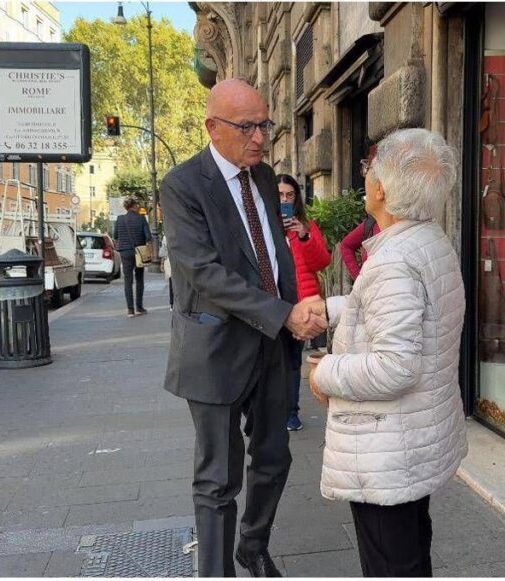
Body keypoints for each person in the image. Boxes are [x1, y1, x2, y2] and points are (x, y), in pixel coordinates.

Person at [159, 78, 326, 578]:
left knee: (274, 459)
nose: (259, 137)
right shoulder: (183, 185)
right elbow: (205, 275)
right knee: (217, 478)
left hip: (270, 347)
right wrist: (282, 313)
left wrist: (298, 310)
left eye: (264, 124)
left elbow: (273, 258)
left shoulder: (263, 176)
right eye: (247, 126)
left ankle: (251, 546)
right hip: (213, 349)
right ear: (213, 127)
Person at [308, 128, 467, 577]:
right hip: (412, 439)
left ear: (382, 188)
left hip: (387, 449)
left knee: (391, 564)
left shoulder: (394, 259)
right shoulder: (427, 241)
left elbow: (394, 366)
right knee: (410, 553)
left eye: (369, 170)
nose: (365, 178)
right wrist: (332, 309)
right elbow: (412, 314)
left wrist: (326, 372)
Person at [277, 174, 331, 432]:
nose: (285, 199)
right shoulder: (264, 226)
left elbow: (322, 262)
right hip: (273, 304)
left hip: (302, 304)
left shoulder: (307, 226)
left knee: (291, 361)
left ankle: (291, 412)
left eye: (290, 195)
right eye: (280, 195)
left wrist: (304, 236)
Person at [340, 145, 381, 281]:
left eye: (368, 169)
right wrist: (360, 281)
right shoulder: (373, 221)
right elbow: (346, 245)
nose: (364, 177)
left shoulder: (405, 233)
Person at [113, 198, 152, 318]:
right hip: (139, 252)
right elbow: (148, 236)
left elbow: (115, 235)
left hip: (125, 252)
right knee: (139, 279)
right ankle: (139, 307)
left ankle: (130, 310)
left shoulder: (120, 219)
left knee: (128, 281)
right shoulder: (141, 218)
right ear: (134, 206)